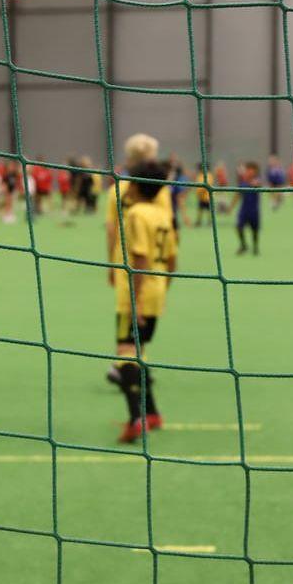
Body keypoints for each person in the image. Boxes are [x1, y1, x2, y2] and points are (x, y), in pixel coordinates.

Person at [112, 159, 176, 445]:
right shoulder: (163, 214)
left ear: (135, 186)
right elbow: (172, 260)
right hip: (157, 290)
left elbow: (140, 258)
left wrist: (136, 301)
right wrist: (161, 288)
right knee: (139, 350)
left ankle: (134, 418)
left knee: (125, 353)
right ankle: (152, 413)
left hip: (136, 293)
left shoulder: (137, 213)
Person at [105, 134, 176, 386]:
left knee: (127, 311)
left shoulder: (117, 188)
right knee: (137, 312)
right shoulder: (159, 192)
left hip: (123, 259)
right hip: (147, 260)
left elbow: (111, 228)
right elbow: (168, 226)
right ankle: (131, 366)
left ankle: (126, 363)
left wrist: (110, 264)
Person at [230, 161, 262, 255]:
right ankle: (243, 245)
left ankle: (255, 247)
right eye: (248, 170)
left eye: (252, 170)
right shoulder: (242, 183)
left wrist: (246, 178)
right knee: (239, 227)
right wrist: (231, 207)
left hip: (254, 211)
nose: (249, 172)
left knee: (255, 230)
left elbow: (257, 184)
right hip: (244, 210)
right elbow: (237, 195)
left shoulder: (256, 181)